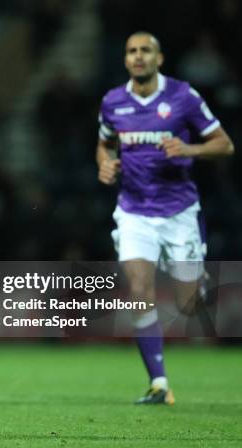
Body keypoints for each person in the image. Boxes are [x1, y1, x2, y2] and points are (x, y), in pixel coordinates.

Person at [96, 32, 234, 405]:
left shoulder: (183, 97)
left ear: (160, 58)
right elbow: (105, 143)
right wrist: (105, 166)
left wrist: (189, 148)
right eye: (131, 51)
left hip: (179, 211)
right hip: (134, 210)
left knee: (189, 305)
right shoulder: (113, 101)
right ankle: (159, 383)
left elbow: (225, 144)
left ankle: (197, 282)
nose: (138, 57)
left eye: (145, 51)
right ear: (125, 60)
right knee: (139, 290)